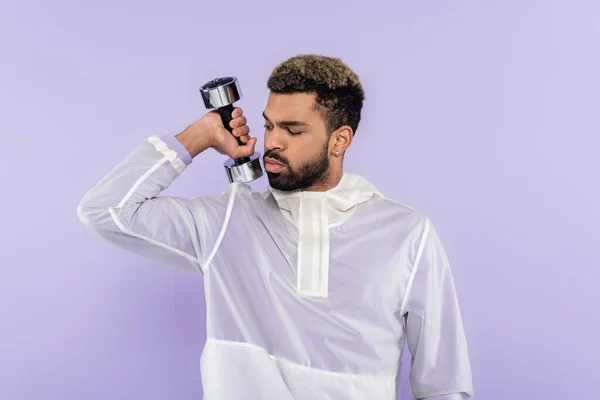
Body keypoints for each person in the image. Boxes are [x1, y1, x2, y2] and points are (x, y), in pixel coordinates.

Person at [77, 54, 474, 400]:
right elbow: (105, 209)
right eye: (268, 126)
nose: (272, 143)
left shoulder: (406, 233)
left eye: (293, 130)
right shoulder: (228, 220)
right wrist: (199, 135)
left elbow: (442, 384)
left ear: (340, 140)